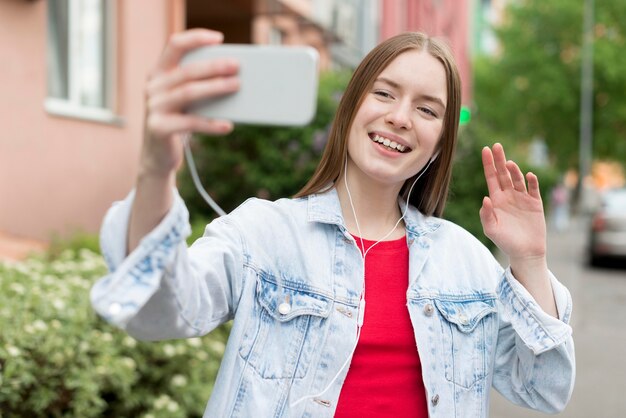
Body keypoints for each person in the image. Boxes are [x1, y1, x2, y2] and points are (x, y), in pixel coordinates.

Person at [91, 29, 575, 418]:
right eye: (384, 93)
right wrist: (156, 167)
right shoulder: (265, 235)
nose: (401, 117)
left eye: (427, 109)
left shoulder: (463, 260)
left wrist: (530, 261)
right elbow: (157, 314)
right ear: (351, 108)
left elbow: (541, 389)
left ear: (440, 140)